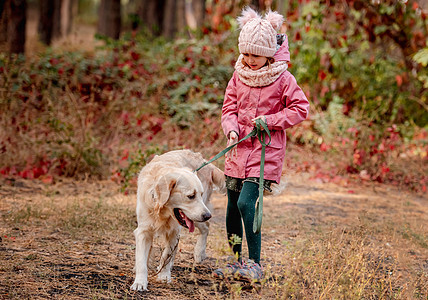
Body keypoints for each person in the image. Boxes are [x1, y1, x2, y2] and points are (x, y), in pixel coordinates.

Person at [213, 7, 310, 282]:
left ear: (268, 53)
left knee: (246, 203)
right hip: (237, 151)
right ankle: (235, 261)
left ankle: (255, 264)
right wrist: (231, 130)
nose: (249, 60)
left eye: (255, 55)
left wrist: (272, 120)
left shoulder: (283, 78)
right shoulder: (238, 75)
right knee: (232, 205)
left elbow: (301, 108)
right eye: (245, 54)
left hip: (265, 154)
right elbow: (228, 108)